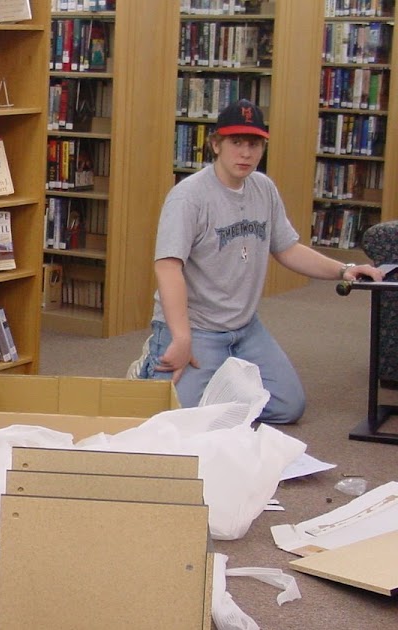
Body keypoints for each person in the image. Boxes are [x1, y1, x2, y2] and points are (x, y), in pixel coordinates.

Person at [135, 99, 386, 423]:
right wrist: (182, 338)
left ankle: (221, 379)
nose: (245, 153)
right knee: (166, 420)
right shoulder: (189, 197)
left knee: (287, 407)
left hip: (245, 328)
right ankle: (151, 362)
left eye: (253, 144)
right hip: (197, 327)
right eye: (236, 142)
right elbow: (167, 267)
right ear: (216, 144)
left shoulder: (263, 188)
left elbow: (287, 248)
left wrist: (345, 269)